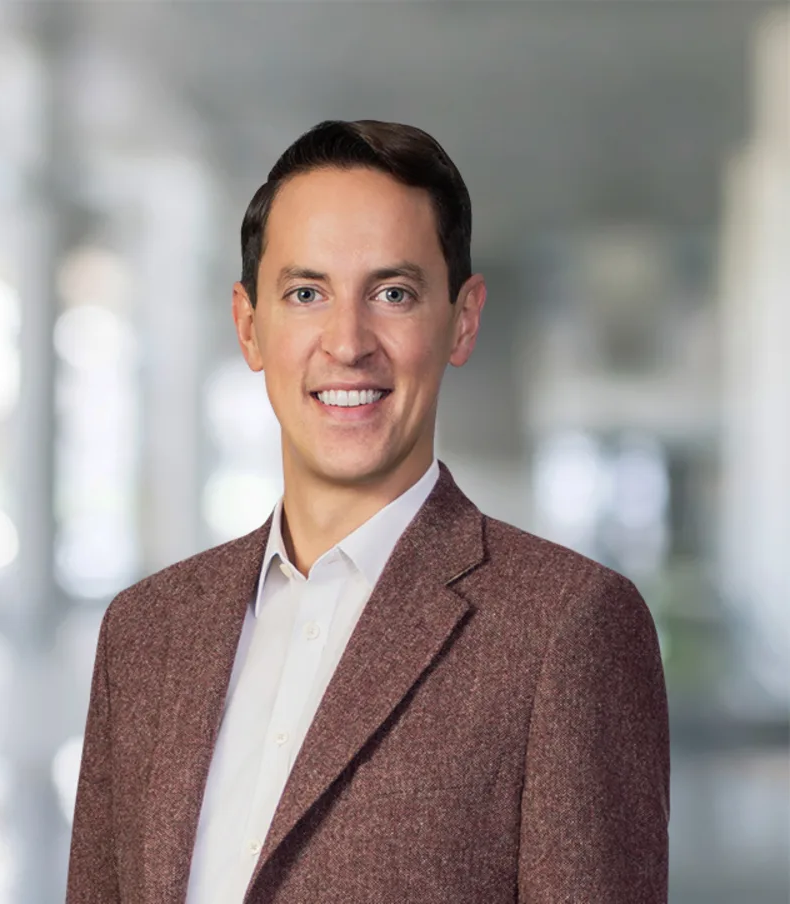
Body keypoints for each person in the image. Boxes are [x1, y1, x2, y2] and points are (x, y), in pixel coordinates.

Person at [66, 120, 670, 904]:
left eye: (393, 294)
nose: (347, 343)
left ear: (462, 319)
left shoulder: (566, 628)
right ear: (250, 326)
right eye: (306, 294)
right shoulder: (146, 633)